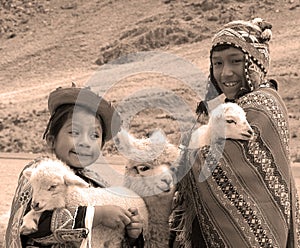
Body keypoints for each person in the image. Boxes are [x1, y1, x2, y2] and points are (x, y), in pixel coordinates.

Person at [169, 18, 300, 247]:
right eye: (217, 63)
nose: (226, 72)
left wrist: (179, 156)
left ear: (254, 63)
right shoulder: (220, 108)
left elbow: (221, 161)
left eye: (236, 61)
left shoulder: (263, 105)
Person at [5, 85, 144, 247]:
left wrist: (131, 232)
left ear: (101, 147)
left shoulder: (97, 184)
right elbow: (31, 227)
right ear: (51, 141)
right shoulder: (38, 173)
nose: (84, 142)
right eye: (74, 132)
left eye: (94, 135)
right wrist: (96, 215)